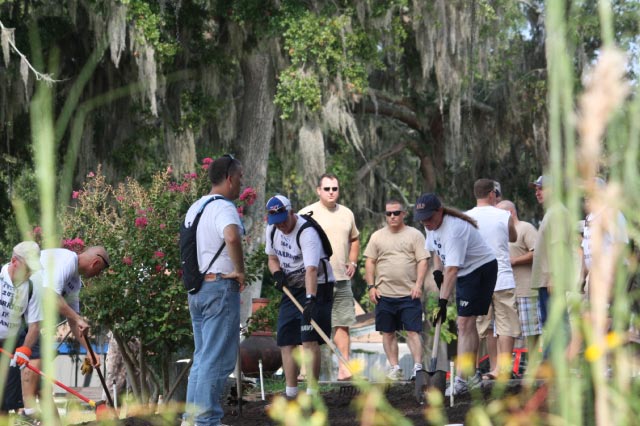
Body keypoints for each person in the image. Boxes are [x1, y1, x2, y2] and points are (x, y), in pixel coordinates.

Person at [182, 154, 245, 426]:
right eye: (240, 178)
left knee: (202, 357)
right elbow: (231, 236)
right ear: (230, 178)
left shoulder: (196, 207)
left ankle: (192, 419)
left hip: (197, 290)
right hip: (220, 287)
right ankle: (206, 421)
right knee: (217, 359)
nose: (241, 184)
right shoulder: (224, 207)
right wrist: (240, 270)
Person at [416, 193, 497, 396]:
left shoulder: (454, 230)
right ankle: (472, 375)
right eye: (423, 219)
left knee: (463, 324)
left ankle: (461, 379)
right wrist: (436, 271)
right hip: (465, 272)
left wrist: (442, 303)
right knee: (467, 325)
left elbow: (451, 271)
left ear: (440, 211)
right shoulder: (431, 226)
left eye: (429, 218)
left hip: (480, 270)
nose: (426, 222)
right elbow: (436, 250)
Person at [21, 245, 110, 423]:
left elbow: (74, 323)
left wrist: (90, 353)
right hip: (20, 313)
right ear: (95, 263)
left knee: (44, 386)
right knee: (37, 357)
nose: (97, 275)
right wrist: (77, 318)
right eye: (99, 271)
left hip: (30, 319)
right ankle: (27, 413)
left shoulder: (75, 283)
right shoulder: (67, 260)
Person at [265, 194, 334, 399]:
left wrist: (310, 300)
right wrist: (277, 273)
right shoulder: (272, 230)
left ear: (291, 212)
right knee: (286, 339)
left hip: (318, 286)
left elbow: (311, 270)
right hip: (292, 288)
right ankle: (291, 393)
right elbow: (271, 258)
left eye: (284, 221)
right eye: (276, 223)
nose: (281, 226)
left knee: (309, 339)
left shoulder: (307, 233)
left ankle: (312, 393)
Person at [299, 173, 359, 381]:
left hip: (340, 278)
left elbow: (355, 239)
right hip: (315, 279)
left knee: (342, 323)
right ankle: (305, 370)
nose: (331, 192)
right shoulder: (306, 214)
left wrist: (353, 262)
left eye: (335, 188)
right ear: (318, 190)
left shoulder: (347, 213)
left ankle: (344, 369)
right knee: (310, 323)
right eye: (327, 189)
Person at [363, 200, 429, 381]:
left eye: (396, 213)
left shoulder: (415, 235)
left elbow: (423, 260)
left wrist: (418, 285)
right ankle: (395, 368)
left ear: (404, 214)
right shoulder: (377, 236)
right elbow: (370, 261)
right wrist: (371, 287)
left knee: (413, 332)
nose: (392, 216)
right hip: (384, 294)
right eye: (389, 213)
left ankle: (418, 368)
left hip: (409, 293)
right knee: (388, 332)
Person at [466, 179, 520, 380]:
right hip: (502, 277)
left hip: (477, 280)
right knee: (506, 326)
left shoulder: (466, 217)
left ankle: (471, 370)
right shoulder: (503, 215)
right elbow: (513, 237)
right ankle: (502, 370)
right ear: (492, 194)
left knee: (478, 328)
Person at [0, 242, 42, 416]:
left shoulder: (32, 287)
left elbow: (34, 325)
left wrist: (25, 349)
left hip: (10, 346)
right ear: (14, 261)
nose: (30, 273)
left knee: (4, 404)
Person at [497, 200, 542, 354]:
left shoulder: (525, 228)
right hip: (506, 289)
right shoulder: (500, 232)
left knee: (531, 331)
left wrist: (515, 260)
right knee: (505, 330)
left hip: (526, 288)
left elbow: (537, 252)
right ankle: (505, 368)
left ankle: (533, 366)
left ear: (510, 213)